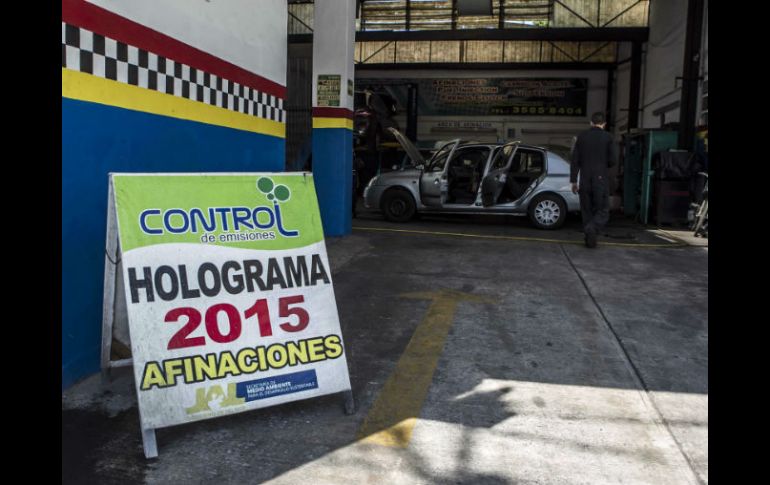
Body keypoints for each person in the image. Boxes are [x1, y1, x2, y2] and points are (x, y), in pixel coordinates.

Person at [571, 112, 618, 248]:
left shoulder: (581, 137)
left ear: (591, 123)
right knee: (602, 209)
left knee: (586, 210)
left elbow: (575, 161)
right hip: (600, 178)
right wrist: (603, 166)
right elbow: (613, 160)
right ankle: (592, 229)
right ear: (604, 124)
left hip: (584, 179)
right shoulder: (608, 137)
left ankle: (590, 240)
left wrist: (574, 181)